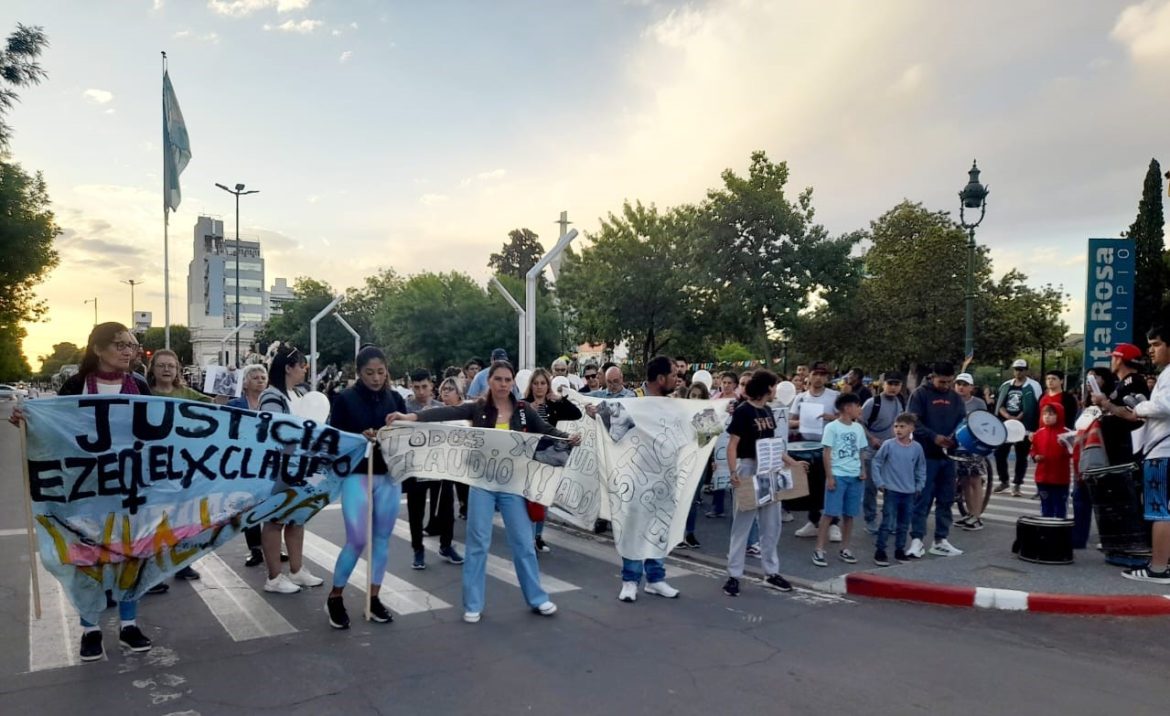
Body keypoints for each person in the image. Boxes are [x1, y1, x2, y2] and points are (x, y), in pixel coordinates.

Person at [387, 361, 573, 621]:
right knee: (477, 543)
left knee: (524, 543)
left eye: (507, 379)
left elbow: (547, 431)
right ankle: (473, 603)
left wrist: (567, 438)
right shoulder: (479, 408)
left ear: (512, 382)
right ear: (490, 381)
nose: (503, 384)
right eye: (498, 379)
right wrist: (411, 417)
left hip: (512, 486)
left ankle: (537, 598)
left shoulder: (522, 410)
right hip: (482, 484)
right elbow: (446, 413)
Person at [10, 323, 153, 660]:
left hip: (130, 485)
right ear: (98, 349)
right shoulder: (76, 385)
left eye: (131, 345)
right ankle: (90, 629)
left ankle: (129, 625)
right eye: (119, 344)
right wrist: (28, 421)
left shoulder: (140, 385)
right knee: (87, 556)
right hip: (84, 487)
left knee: (131, 554)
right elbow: (55, 430)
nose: (128, 351)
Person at [323, 347, 412, 628]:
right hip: (357, 475)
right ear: (359, 373)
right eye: (369, 373)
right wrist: (358, 436)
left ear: (387, 371)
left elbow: (406, 435)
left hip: (388, 476)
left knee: (382, 539)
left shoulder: (395, 399)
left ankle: (373, 598)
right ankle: (335, 596)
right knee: (357, 539)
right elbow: (335, 439)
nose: (376, 378)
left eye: (380, 372)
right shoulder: (344, 399)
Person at [1102, 325, 1170, 583]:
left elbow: (1164, 405)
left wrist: (1141, 407)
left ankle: (1159, 568)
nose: (1151, 351)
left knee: (1159, 511)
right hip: (1161, 447)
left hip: (1162, 450)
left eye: (1156, 345)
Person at [722, 370, 798, 596]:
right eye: (774, 386)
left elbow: (772, 443)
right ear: (766, 387)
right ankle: (734, 575)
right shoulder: (743, 411)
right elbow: (732, 444)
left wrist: (791, 462)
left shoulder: (767, 410)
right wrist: (733, 471)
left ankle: (771, 572)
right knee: (742, 524)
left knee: (771, 524)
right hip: (748, 467)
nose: (776, 390)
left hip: (769, 468)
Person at [257, 345, 326, 594]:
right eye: (302, 365)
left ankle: (297, 570)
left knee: (297, 518)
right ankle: (274, 577)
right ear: (288, 368)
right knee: (275, 519)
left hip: (303, 466)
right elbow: (275, 430)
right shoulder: (271, 396)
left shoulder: (299, 393)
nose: (305, 370)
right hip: (280, 467)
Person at [614, 356, 683, 602]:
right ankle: (630, 580)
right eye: (674, 374)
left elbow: (696, 431)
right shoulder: (633, 401)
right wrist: (596, 414)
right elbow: (614, 431)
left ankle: (655, 579)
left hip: (666, 478)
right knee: (634, 529)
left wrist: (721, 414)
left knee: (659, 528)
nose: (678, 379)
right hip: (637, 478)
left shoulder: (675, 404)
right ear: (661, 378)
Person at [145, 349, 204, 582]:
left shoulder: (187, 394)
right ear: (153, 369)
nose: (167, 369)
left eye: (171, 365)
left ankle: (182, 563)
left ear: (178, 369)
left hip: (183, 466)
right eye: (161, 365)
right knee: (153, 519)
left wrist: (224, 386)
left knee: (183, 517)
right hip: (152, 466)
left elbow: (216, 409)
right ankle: (151, 571)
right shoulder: (142, 393)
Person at [403, 368, 461, 570]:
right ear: (411, 387)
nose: (421, 391)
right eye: (416, 387)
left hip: (440, 466)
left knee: (446, 508)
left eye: (424, 387)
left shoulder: (441, 408)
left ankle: (446, 545)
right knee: (416, 510)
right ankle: (418, 550)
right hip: (415, 467)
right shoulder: (405, 407)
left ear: (431, 386)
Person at [907, 361, 966, 558]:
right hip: (926, 455)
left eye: (949, 381)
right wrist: (934, 437)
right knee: (922, 499)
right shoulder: (920, 394)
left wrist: (955, 438)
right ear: (932, 377)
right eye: (942, 381)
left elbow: (962, 421)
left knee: (946, 499)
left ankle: (941, 540)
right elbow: (912, 421)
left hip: (949, 457)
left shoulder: (955, 398)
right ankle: (917, 540)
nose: (946, 385)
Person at [524, 367, 583, 553]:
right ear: (531, 386)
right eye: (536, 383)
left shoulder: (552, 404)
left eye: (543, 383)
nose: (539, 387)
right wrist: (527, 412)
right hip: (530, 455)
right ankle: (527, 536)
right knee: (530, 497)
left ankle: (538, 537)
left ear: (547, 385)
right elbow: (516, 427)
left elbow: (576, 414)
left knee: (544, 496)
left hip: (550, 455)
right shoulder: (524, 404)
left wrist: (560, 399)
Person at [228, 364, 276, 567]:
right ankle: (255, 548)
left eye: (263, 377)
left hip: (269, 460)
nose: (260, 380)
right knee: (249, 505)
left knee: (271, 503)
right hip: (244, 461)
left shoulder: (273, 403)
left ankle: (273, 546)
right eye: (255, 377)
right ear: (245, 383)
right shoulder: (235, 404)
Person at [812, 393, 867, 566]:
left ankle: (845, 547)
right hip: (838, 474)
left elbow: (861, 451)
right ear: (847, 408)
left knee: (850, 514)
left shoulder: (858, 428)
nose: (859, 409)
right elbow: (826, 453)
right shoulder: (832, 427)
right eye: (857, 406)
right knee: (830, 513)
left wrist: (863, 470)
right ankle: (819, 549)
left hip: (855, 476)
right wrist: (830, 476)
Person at [789, 362, 840, 540]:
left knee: (831, 483)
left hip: (829, 445)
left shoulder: (834, 396)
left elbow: (846, 418)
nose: (818, 378)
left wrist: (830, 417)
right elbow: (790, 421)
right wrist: (802, 421)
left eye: (822, 375)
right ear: (808, 376)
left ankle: (834, 523)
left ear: (827, 378)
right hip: (806, 446)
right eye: (815, 374)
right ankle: (813, 521)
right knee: (812, 485)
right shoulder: (800, 398)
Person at [871, 413, 927, 565]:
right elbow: (876, 462)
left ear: (911, 428)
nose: (898, 430)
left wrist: (919, 485)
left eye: (902, 426)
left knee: (904, 523)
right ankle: (880, 551)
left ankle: (899, 550)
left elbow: (921, 467)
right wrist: (879, 482)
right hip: (891, 490)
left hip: (909, 491)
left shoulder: (916, 448)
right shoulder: (888, 445)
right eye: (896, 426)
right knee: (887, 522)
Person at [859, 372, 906, 534]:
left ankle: (889, 520)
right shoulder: (873, 403)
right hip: (872, 451)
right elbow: (859, 423)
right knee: (871, 488)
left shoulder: (900, 402)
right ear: (883, 384)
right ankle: (870, 519)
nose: (893, 387)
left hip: (892, 451)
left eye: (896, 384)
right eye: (890, 383)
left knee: (891, 488)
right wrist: (871, 438)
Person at [1092, 343, 1149, 466]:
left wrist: (1104, 403)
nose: (1111, 362)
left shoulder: (1133, 381)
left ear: (1119, 360)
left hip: (1127, 449)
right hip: (1119, 447)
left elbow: (1132, 414)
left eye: (1112, 358)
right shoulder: (1123, 383)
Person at [994, 360, 1040, 496]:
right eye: (1016, 369)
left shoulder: (1033, 386)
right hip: (1006, 425)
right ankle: (1004, 480)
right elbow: (999, 404)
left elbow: (1033, 406)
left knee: (1021, 456)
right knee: (999, 454)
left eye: (1021, 369)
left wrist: (1019, 417)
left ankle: (1017, 484)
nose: (1018, 372)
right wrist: (1008, 416)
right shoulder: (1006, 385)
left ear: (1026, 370)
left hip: (1024, 427)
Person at [953, 372, 989, 531]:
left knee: (975, 480)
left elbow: (986, 423)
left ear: (971, 387)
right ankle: (969, 513)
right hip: (956, 446)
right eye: (959, 384)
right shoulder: (952, 401)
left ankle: (977, 516)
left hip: (973, 446)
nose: (961, 387)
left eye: (965, 385)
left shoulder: (979, 403)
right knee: (965, 481)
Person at [438, 376, 471, 519]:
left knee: (464, 488)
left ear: (458, 392)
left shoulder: (467, 409)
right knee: (445, 489)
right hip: (444, 458)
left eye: (450, 389)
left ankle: (465, 509)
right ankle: (444, 517)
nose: (446, 392)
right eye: (444, 389)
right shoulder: (436, 410)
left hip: (464, 457)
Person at [1030, 403, 1072, 519]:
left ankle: (1060, 527)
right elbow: (1033, 449)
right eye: (1045, 414)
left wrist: (1065, 447)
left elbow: (1073, 451)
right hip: (1042, 477)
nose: (1047, 417)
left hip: (1060, 478)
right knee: (1046, 507)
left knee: (1060, 507)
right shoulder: (1039, 433)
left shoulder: (1067, 433)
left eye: (1051, 414)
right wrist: (1035, 456)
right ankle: (1046, 527)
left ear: (1059, 415)